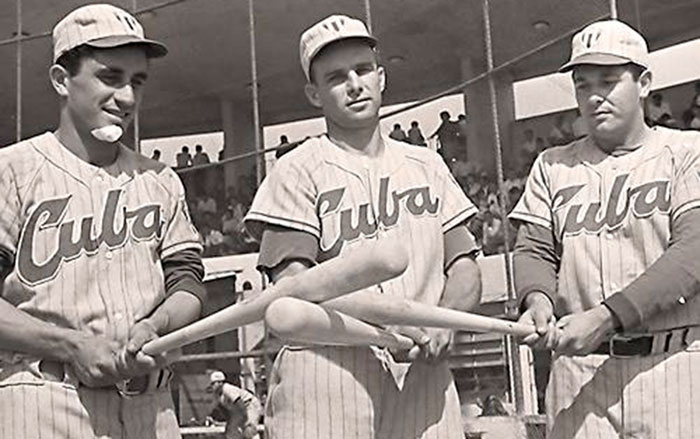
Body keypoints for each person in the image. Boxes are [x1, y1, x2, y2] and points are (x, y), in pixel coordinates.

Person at [244, 14, 482, 439]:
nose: (354, 83)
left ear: (381, 77)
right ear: (314, 95)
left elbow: (464, 266)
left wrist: (445, 320)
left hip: (422, 373)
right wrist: (392, 322)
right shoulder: (295, 169)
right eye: (337, 77)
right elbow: (294, 284)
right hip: (329, 371)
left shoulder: (427, 164)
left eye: (363, 69)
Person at [0, 5, 207, 439]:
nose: (128, 97)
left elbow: (187, 286)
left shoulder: (161, 180)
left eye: (138, 81)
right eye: (110, 78)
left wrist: (157, 325)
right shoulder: (13, 170)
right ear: (61, 80)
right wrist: (71, 345)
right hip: (44, 401)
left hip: (151, 409)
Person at [510, 19, 700, 439]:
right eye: (583, 84)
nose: (594, 96)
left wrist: (607, 316)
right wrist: (537, 299)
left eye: (609, 80)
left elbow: (692, 255)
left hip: (673, 366)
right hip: (580, 375)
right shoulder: (552, 165)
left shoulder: (687, 152)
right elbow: (535, 250)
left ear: (644, 82)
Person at [207, 370, 262, 439]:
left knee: (249, 429)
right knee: (231, 433)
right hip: (238, 410)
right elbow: (225, 411)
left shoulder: (227, 389)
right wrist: (230, 423)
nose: (212, 386)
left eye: (213, 383)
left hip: (249, 405)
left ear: (220, 382)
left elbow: (240, 403)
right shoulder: (217, 395)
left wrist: (245, 419)